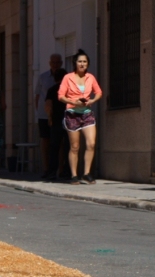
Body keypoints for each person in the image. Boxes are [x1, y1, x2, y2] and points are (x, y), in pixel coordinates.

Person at [58, 49, 102, 185]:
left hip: (87, 113)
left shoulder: (91, 77)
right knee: (75, 146)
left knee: (91, 143)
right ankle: (74, 175)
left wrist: (92, 101)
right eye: (80, 61)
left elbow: (99, 92)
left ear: (87, 64)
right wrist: (73, 102)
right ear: (75, 63)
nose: (82, 64)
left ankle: (87, 173)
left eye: (85, 62)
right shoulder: (68, 78)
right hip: (72, 114)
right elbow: (60, 96)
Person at [35, 54, 64, 175]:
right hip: (44, 115)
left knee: (61, 142)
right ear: (49, 63)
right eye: (53, 62)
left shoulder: (65, 77)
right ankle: (46, 168)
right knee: (45, 141)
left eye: (58, 62)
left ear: (61, 63)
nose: (55, 64)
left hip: (59, 116)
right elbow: (37, 95)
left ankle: (61, 169)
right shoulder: (43, 77)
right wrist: (39, 111)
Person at [44, 68, 69, 180]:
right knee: (69, 147)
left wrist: (50, 118)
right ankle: (68, 171)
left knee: (54, 148)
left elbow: (48, 106)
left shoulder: (52, 90)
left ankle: (52, 171)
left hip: (56, 121)